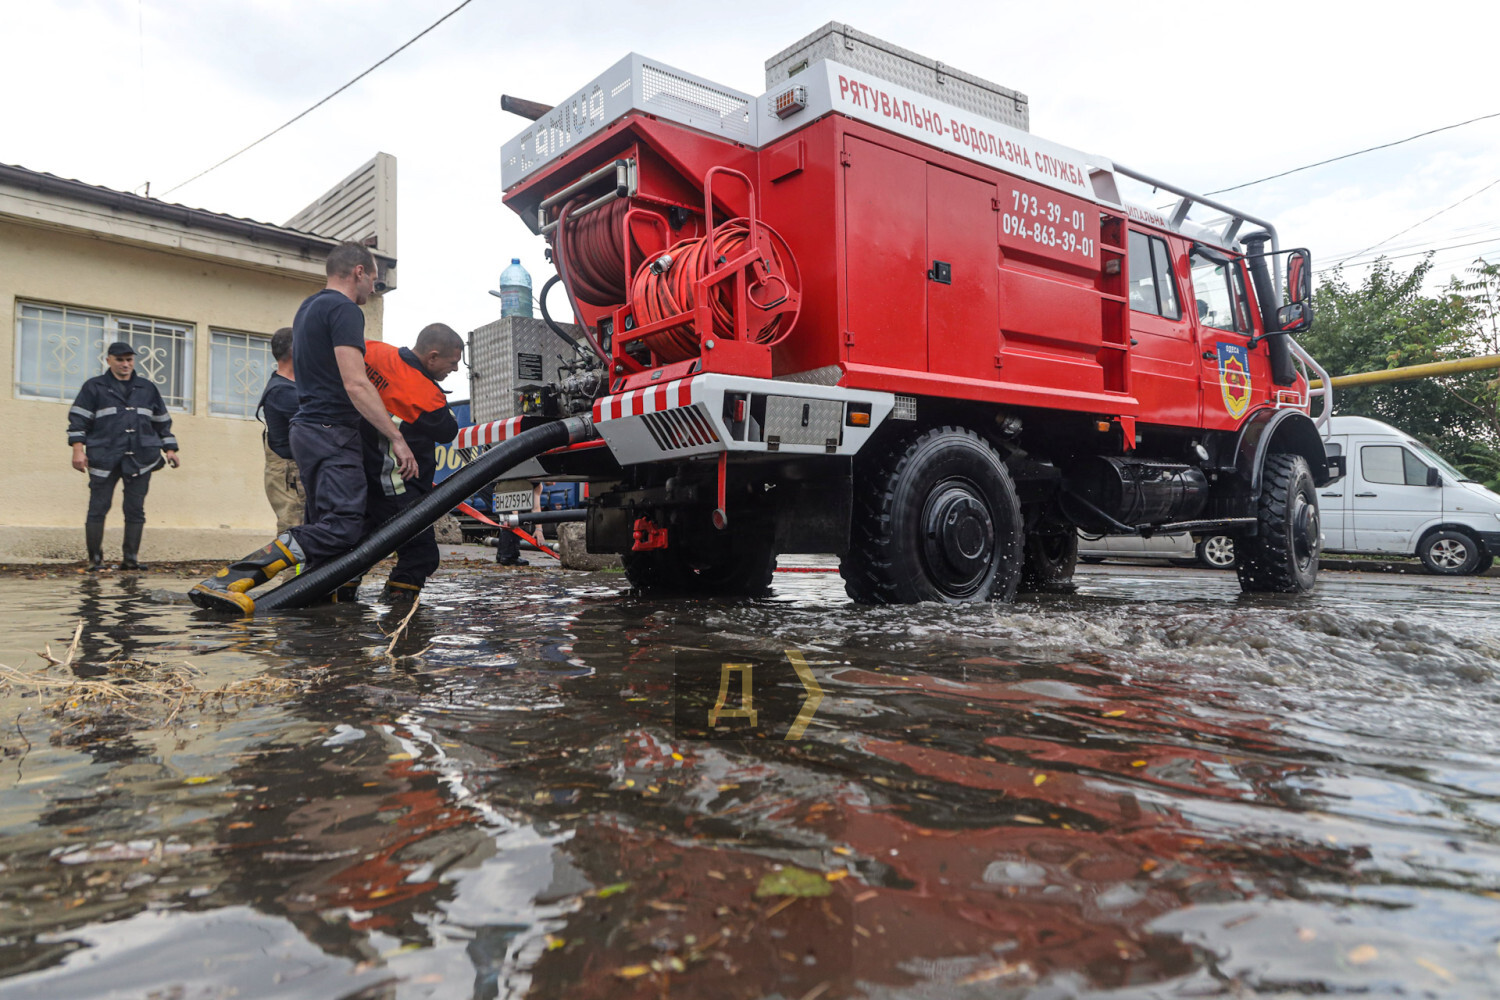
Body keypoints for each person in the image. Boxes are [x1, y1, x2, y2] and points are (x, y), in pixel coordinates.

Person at [190, 242, 416, 614]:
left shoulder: (308, 308)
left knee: (324, 528)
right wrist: (396, 438)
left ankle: (311, 605)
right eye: (374, 278)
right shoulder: (344, 310)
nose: (374, 288)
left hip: (308, 431)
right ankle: (230, 579)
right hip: (331, 431)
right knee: (343, 527)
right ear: (358, 271)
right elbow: (356, 383)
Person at [359, 323, 464, 600]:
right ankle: (400, 618)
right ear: (431, 357)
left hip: (362, 476)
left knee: (356, 548)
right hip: (398, 483)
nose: (453, 370)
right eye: (452, 363)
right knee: (420, 553)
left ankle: (335, 604)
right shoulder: (425, 395)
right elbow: (447, 430)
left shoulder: (374, 351)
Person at [68, 341, 180, 571]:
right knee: (98, 508)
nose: (125, 364)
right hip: (104, 458)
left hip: (141, 458)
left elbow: (162, 422)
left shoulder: (147, 388)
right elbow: (78, 420)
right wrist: (78, 450)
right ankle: (94, 561)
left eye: (129, 359)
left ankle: (131, 560)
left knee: (135, 509)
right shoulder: (94, 387)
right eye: (120, 360)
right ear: (108, 360)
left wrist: (170, 449)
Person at [257, 327, 304, 534]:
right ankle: (292, 569)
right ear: (295, 350)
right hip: (290, 475)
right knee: (294, 530)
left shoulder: (295, 386)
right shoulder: (282, 391)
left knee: (304, 530)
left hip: (296, 473)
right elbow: (313, 427)